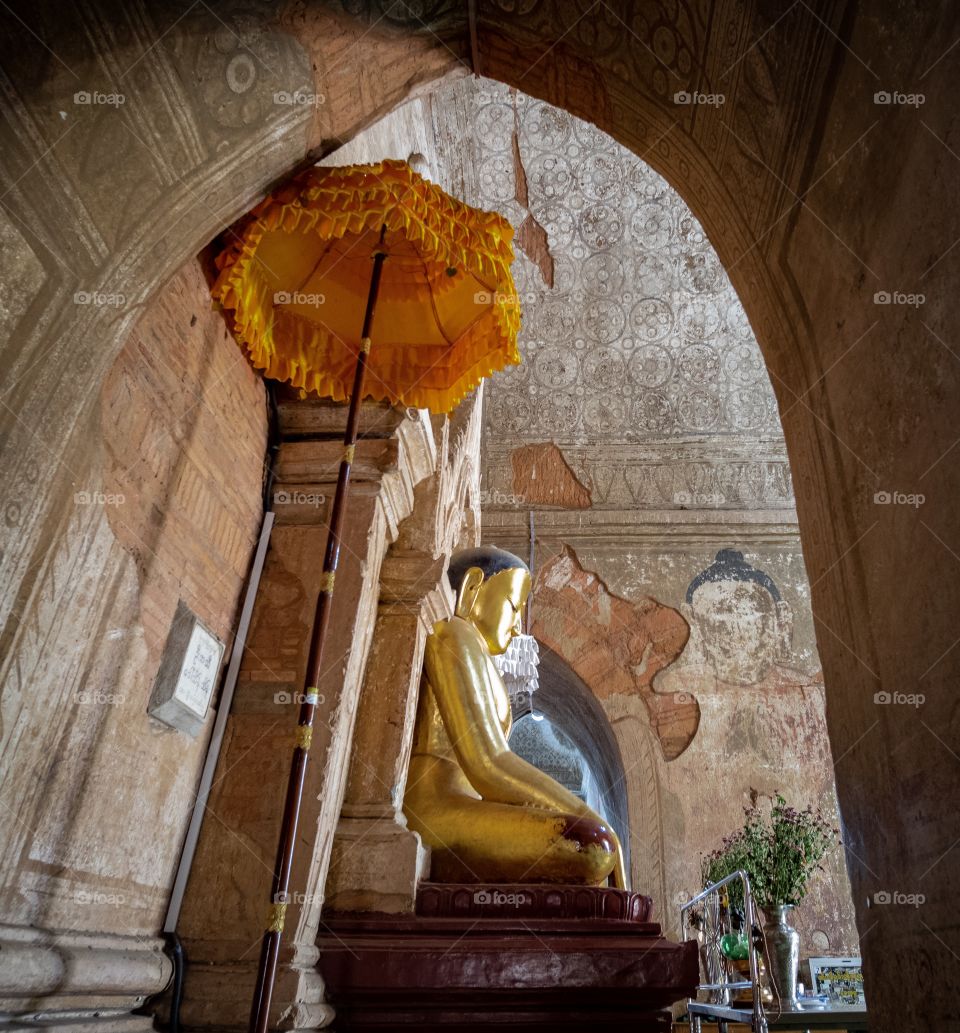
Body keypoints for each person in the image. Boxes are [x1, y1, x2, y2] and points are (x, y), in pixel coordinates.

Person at [403, 546, 626, 887]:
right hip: (434, 810)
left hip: (467, 805)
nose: (519, 624)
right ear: (472, 588)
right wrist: (592, 820)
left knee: (591, 845)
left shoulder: (477, 653)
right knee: (591, 845)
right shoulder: (452, 634)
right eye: (512, 604)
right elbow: (489, 764)